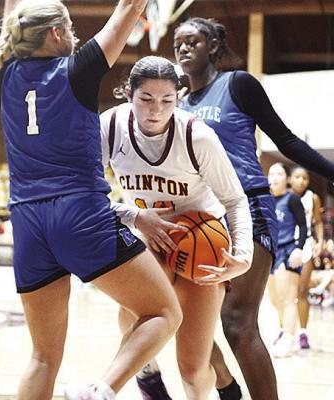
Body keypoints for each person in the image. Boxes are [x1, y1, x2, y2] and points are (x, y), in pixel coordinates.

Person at [0, 2, 184, 400]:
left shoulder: (6, 75)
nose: (75, 35)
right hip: (79, 215)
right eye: (70, 27)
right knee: (164, 312)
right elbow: (129, 8)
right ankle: (101, 391)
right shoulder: (78, 69)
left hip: (27, 222)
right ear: (56, 34)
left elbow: (14, 16)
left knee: (42, 358)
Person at [138, 17, 334, 400]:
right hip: (199, 216)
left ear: (213, 46)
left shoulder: (237, 84)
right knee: (175, 313)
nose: (183, 49)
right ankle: (227, 388)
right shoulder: (176, 105)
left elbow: (286, 139)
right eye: (178, 43)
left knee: (237, 322)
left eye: (193, 41)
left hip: (247, 206)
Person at [100, 55, 254, 400]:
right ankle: (148, 372)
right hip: (147, 234)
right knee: (133, 317)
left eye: (167, 100)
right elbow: (84, 191)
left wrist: (242, 255)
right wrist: (134, 216)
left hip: (201, 238)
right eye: (146, 99)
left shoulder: (198, 137)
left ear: (179, 97)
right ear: (128, 94)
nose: (156, 109)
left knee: (192, 366)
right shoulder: (109, 126)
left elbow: (235, 200)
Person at [267, 163, 307, 357]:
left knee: (288, 298)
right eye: (271, 173)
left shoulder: (291, 199)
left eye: (279, 174)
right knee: (275, 300)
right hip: (270, 253)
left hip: (288, 251)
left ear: (287, 179)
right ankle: (286, 332)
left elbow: (303, 226)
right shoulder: (265, 200)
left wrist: (299, 249)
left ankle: (289, 338)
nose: (275, 177)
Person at [289, 166, 324, 349]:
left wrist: (320, 242)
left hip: (306, 245)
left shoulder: (313, 198)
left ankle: (303, 332)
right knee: (286, 295)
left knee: (302, 290)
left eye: (304, 177)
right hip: (286, 245)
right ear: (290, 179)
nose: (301, 180)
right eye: (297, 177)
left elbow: (317, 222)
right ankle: (285, 332)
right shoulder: (284, 196)